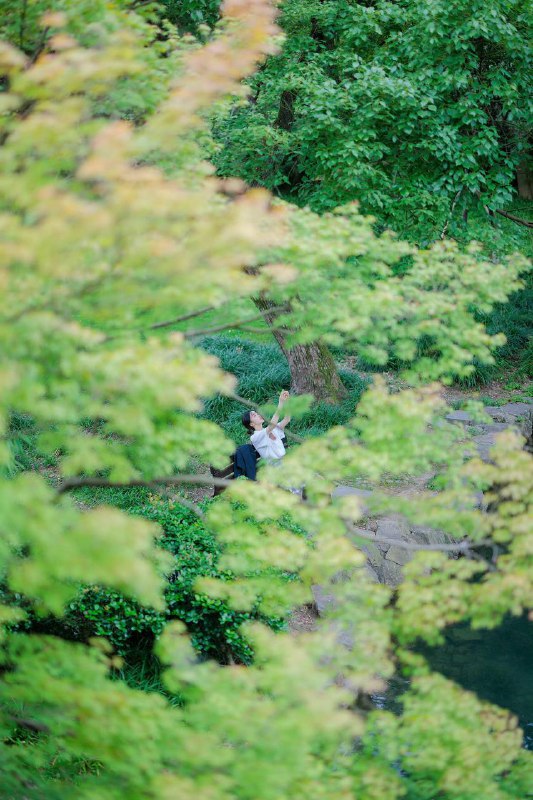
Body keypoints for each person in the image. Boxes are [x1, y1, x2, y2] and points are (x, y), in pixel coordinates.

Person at [242, 390, 291, 462]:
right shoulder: (255, 437)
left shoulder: (273, 429)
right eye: (254, 415)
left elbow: (287, 419)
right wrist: (280, 403)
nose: (258, 415)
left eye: (257, 413)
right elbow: (271, 426)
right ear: (251, 424)